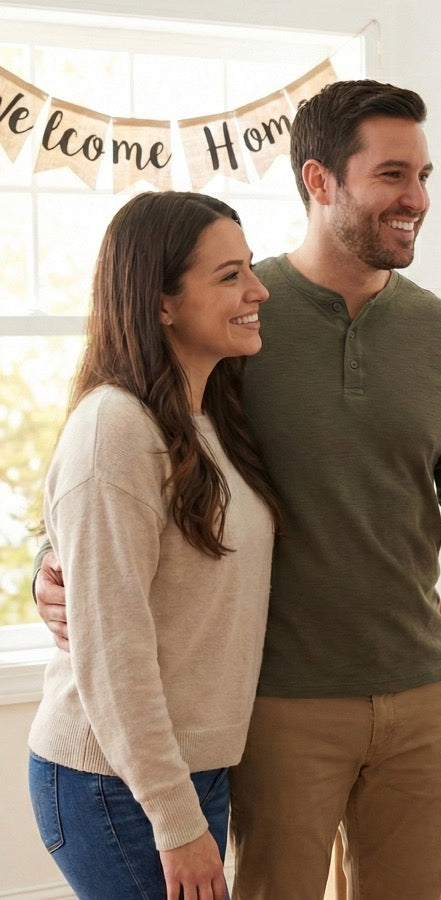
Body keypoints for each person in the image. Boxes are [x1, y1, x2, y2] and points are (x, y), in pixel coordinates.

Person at [36, 80, 441, 899]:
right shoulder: (242, 318)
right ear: (320, 182)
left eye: (425, 175)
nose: (417, 199)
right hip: (278, 698)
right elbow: (130, 457)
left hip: (419, 684)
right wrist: (51, 564)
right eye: (393, 175)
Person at [28, 191, 279, 899]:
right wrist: (174, 816)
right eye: (229, 275)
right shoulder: (116, 430)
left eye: (251, 268)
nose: (258, 291)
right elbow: (113, 649)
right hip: (117, 782)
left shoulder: (207, 421)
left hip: (186, 768)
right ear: (162, 301)